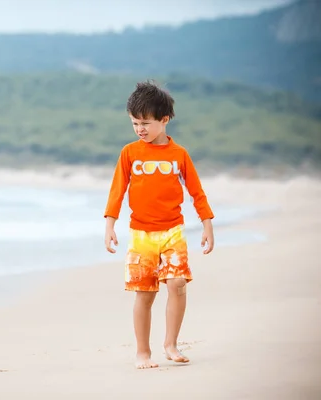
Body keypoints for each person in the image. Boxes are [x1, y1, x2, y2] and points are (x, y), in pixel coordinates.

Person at [103, 80, 215, 369]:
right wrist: (110, 225)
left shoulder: (179, 155)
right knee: (146, 293)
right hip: (140, 234)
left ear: (164, 120)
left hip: (173, 230)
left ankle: (171, 344)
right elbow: (117, 190)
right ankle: (143, 352)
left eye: (145, 123)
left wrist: (206, 224)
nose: (140, 129)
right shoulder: (129, 153)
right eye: (134, 123)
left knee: (177, 284)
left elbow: (196, 192)